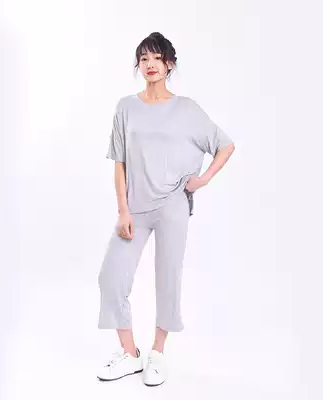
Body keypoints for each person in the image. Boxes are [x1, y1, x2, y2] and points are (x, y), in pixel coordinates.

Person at [96, 32, 235, 386]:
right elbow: (119, 163)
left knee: (168, 279)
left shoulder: (186, 109)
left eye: (157, 58)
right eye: (144, 58)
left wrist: (202, 180)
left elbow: (224, 145)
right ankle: (131, 354)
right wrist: (123, 211)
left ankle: (157, 353)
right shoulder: (126, 107)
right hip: (135, 208)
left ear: (169, 64)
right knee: (111, 277)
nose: (150, 64)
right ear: (138, 64)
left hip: (173, 204)